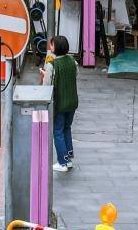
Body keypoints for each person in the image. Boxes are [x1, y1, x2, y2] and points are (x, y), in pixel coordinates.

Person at [42, 35, 78, 173]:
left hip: (60, 104)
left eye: (51, 45)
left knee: (58, 131)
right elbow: (75, 74)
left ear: (55, 48)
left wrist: (45, 74)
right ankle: (68, 159)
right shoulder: (72, 61)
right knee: (67, 128)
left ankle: (62, 162)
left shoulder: (52, 65)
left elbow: (47, 85)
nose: (50, 47)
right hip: (73, 101)